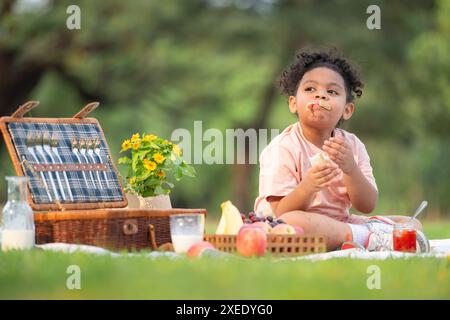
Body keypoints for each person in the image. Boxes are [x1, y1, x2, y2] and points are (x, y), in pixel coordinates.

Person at [254, 49, 429, 252]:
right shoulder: (282, 148)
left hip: (340, 224)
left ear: (347, 110)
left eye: (332, 92)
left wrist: (350, 169)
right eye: (310, 89)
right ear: (293, 103)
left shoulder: (352, 146)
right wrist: (309, 186)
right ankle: (370, 238)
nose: (321, 95)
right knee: (292, 222)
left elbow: (367, 204)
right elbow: (281, 213)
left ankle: (364, 237)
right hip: (289, 227)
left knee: (411, 223)